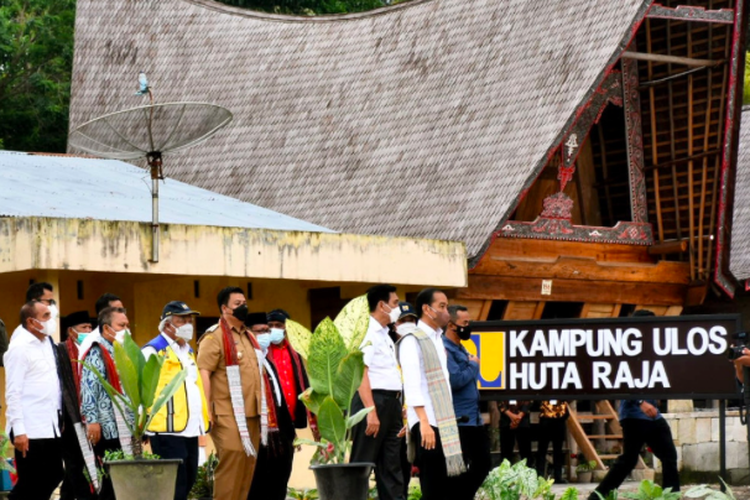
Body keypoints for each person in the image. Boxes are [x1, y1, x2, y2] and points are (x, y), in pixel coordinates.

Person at [589, 309, 679, 500]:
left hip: (654, 416)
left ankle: (672, 496)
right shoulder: (625, 348)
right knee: (628, 460)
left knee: (669, 455)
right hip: (633, 414)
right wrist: (640, 401)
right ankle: (597, 496)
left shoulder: (651, 347)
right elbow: (620, 379)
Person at [398, 288, 465, 500]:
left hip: (443, 423)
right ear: (427, 309)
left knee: (447, 486)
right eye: (442, 307)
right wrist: (423, 422)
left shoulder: (437, 339)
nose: (447, 312)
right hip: (428, 424)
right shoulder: (412, 340)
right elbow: (412, 384)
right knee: (433, 486)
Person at [197, 287, 263, 500]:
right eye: (237, 304)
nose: (243, 307)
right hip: (226, 412)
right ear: (225, 308)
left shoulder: (250, 337)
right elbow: (203, 373)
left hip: (252, 412)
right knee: (233, 458)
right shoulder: (214, 336)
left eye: (244, 302)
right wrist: (206, 410)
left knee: (247, 463)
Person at [142, 301, 210, 500]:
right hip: (166, 429)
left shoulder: (188, 351)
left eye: (190, 319)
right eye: (182, 319)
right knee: (173, 485)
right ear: (167, 323)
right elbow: (143, 390)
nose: (188, 323)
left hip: (189, 428)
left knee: (188, 479)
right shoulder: (154, 350)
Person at [351, 284, 406, 500]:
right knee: (362, 465)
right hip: (373, 401)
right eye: (395, 303)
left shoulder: (385, 333)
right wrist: (370, 410)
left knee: (391, 465)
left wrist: (399, 405)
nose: (398, 308)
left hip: (391, 403)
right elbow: (360, 372)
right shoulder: (367, 332)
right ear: (381, 305)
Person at [4, 301, 64, 499]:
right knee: (31, 480)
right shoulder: (19, 348)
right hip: (29, 428)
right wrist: (19, 430)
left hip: (50, 425)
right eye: (46, 316)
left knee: (55, 475)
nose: (51, 320)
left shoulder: (48, 344)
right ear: (31, 322)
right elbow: (13, 392)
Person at [80, 306, 134, 500]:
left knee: (126, 480)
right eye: (121, 325)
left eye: (127, 325)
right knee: (111, 481)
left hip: (126, 427)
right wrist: (92, 421)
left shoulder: (123, 350)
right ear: (106, 328)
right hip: (107, 426)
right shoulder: (97, 351)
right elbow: (88, 388)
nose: (126, 330)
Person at [443, 305, 491, 500]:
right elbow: (454, 380)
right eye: (464, 323)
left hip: (474, 418)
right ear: (451, 325)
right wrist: (473, 365)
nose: (468, 327)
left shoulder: (462, 348)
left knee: (483, 464)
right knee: (462, 468)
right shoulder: (445, 349)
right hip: (459, 419)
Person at [246, 312, 296, 500]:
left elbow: (279, 399)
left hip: (280, 435)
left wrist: (289, 432)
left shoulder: (267, 361)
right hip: (259, 434)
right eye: (260, 331)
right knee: (258, 486)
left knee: (279, 484)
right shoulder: (246, 361)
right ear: (248, 334)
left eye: (266, 330)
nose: (266, 335)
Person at [59, 311, 97, 500]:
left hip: (91, 417)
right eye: (84, 328)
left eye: (90, 327)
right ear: (71, 331)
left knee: (82, 464)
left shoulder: (92, 349)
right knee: (74, 464)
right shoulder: (60, 351)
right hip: (70, 417)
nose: (88, 331)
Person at [78, 293, 124, 359]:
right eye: (118, 310)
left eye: (122, 310)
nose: (122, 314)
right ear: (103, 314)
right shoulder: (93, 342)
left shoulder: (120, 338)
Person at [536, 400, 569, 483]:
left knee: (558, 451)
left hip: (559, 421)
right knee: (542, 451)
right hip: (546, 421)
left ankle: (558, 477)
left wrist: (563, 417)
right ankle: (540, 477)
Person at [499, 400, 531, 464]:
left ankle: (527, 472)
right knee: (506, 455)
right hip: (506, 421)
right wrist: (512, 416)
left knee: (525, 454)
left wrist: (519, 416)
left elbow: (529, 399)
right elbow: (498, 400)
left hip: (523, 421)